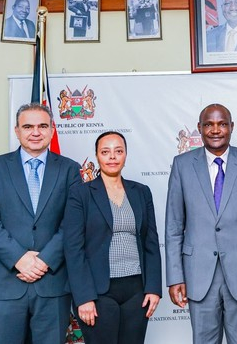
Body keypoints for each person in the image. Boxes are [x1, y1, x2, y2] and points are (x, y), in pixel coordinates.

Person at [165, 103, 237, 344]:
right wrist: (175, 277)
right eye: (209, 124)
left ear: (231, 127)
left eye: (222, 124)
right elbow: (173, 227)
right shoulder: (182, 165)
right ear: (199, 128)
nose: (215, 130)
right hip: (198, 275)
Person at [0, 103, 81, 344]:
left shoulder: (70, 169)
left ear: (52, 130)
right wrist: (19, 258)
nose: (35, 132)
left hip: (52, 283)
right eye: (28, 126)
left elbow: (73, 222)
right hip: (5, 283)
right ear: (17, 130)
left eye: (42, 126)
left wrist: (44, 260)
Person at [63, 131, 161, 343]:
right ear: (97, 156)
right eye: (105, 152)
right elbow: (73, 248)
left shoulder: (141, 192)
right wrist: (83, 297)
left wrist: (153, 288)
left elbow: (151, 243)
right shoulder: (81, 194)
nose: (112, 157)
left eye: (118, 151)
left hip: (137, 290)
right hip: (98, 292)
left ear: (126, 155)